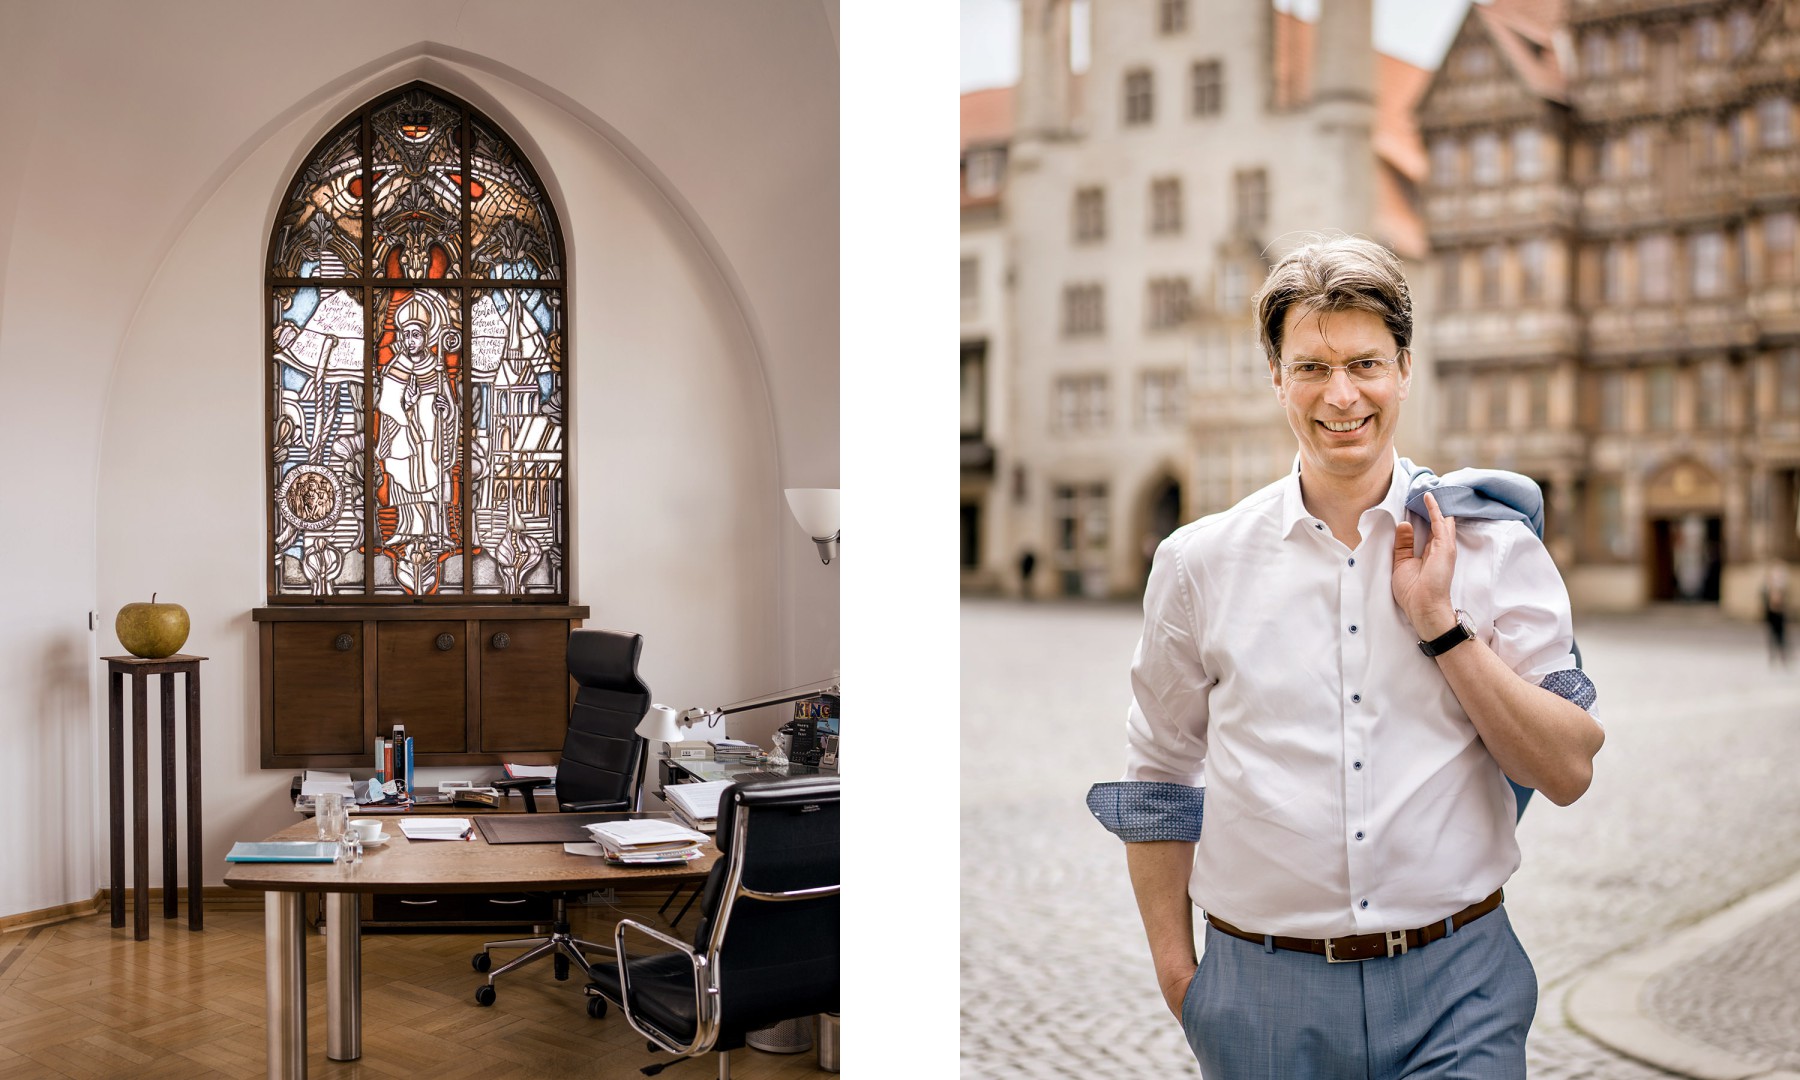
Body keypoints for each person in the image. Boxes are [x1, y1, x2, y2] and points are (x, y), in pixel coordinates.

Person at [1085, 236, 1604, 1079]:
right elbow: (1159, 777)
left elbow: (1569, 768)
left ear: (1404, 366)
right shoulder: (1197, 565)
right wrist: (1183, 979)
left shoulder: (1492, 544)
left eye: (1365, 363)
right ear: (1276, 376)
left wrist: (1440, 624)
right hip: (1261, 998)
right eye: (1312, 367)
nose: (1341, 395)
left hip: (1460, 988)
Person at [1765, 563, 1790, 667]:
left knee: (1781, 636)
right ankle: (1774, 655)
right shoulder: (1769, 588)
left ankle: (1782, 655)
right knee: (1772, 635)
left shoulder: (1782, 588)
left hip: (1779, 614)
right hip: (1773, 614)